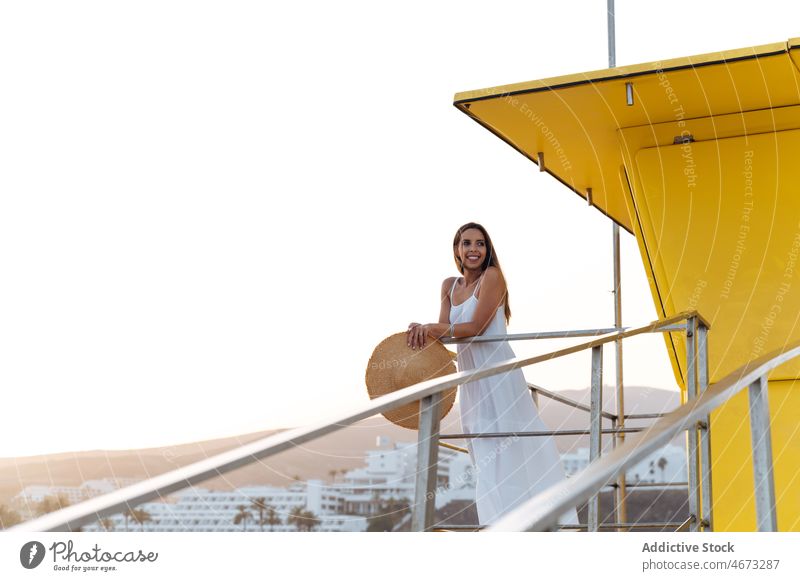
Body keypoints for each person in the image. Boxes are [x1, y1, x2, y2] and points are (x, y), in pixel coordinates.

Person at [407, 222, 579, 529]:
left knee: (516, 449)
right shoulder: (449, 285)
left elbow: (474, 329)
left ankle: (542, 522)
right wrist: (421, 329)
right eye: (466, 243)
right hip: (471, 383)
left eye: (480, 244)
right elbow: (446, 333)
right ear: (456, 250)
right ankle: (499, 526)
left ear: (487, 250)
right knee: (484, 456)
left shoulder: (493, 277)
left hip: (499, 377)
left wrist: (433, 329)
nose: (473, 249)